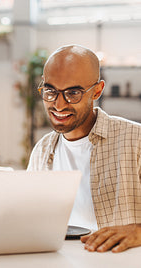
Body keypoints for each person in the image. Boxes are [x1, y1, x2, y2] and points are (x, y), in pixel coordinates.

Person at [27, 44, 141, 253]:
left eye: (73, 93)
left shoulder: (135, 141)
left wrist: (138, 232)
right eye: (51, 91)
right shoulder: (42, 151)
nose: (59, 105)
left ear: (97, 90)